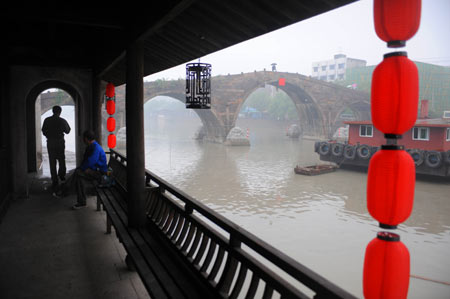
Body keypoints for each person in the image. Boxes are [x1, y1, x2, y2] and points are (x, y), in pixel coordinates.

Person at [60, 130, 107, 210]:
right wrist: (84, 168)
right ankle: (81, 202)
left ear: (86, 139)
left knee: (78, 172)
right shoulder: (92, 146)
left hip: (100, 174)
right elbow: (88, 162)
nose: (83, 141)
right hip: (94, 171)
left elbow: (91, 161)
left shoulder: (96, 148)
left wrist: (83, 168)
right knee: (79, 178)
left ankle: (64, 190)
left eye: (83, 139)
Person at [42, 105, 71, 194]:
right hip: (59, 142)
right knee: (61, 159)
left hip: (50, 142)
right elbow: (68, 130)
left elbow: (43, 130)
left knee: (52, 160)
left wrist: (49, 135)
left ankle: (54, 179)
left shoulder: (47, 120)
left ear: (52, 111)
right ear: (60, 112)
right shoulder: (62, 121)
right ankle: (61, 175)